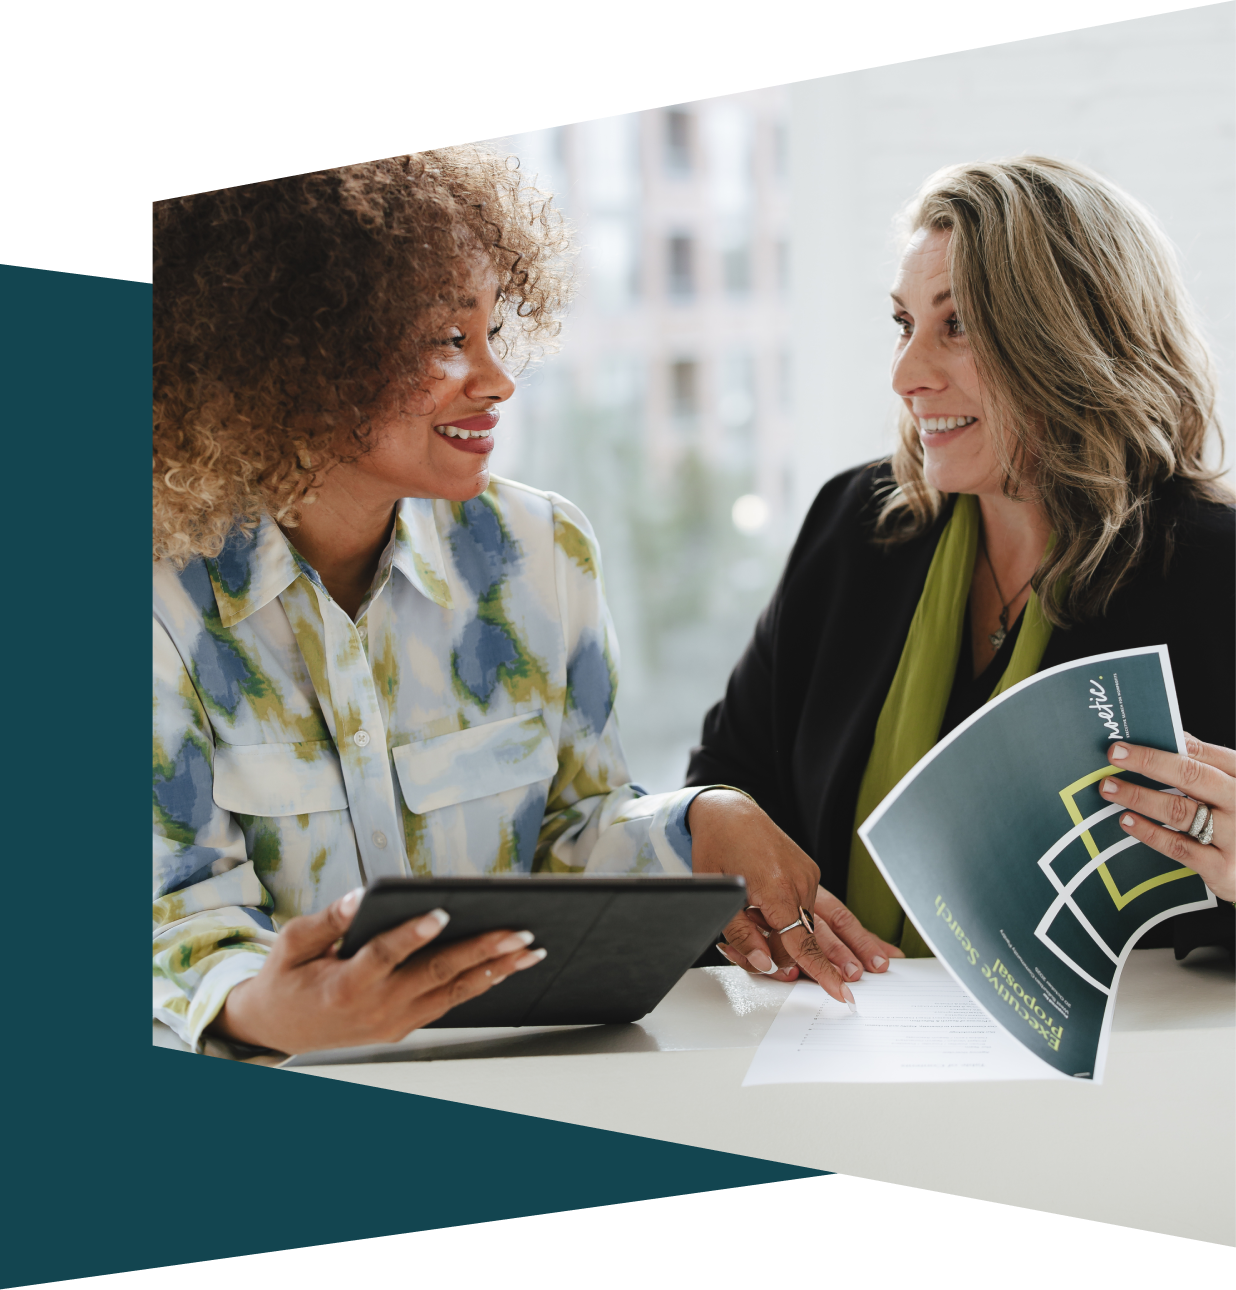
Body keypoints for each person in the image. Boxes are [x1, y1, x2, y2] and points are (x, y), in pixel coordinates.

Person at [153, 152, 892, 1060]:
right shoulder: (153, 598)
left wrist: (698, 823)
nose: (498, 378)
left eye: (493, 328)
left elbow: (570, 833)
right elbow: (170, 914)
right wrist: (276, 1012)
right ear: (296, 354)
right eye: (445, 340)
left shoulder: (540, 554)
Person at [687, 156, 1236, 975]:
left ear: (1074, 339)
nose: (908, 376)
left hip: (1120, 1092)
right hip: (837, 1055)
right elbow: (732, 780)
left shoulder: (1213, 570)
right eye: (904, 324)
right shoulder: (855, 526)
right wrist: (709, 816)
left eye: (959, 326)